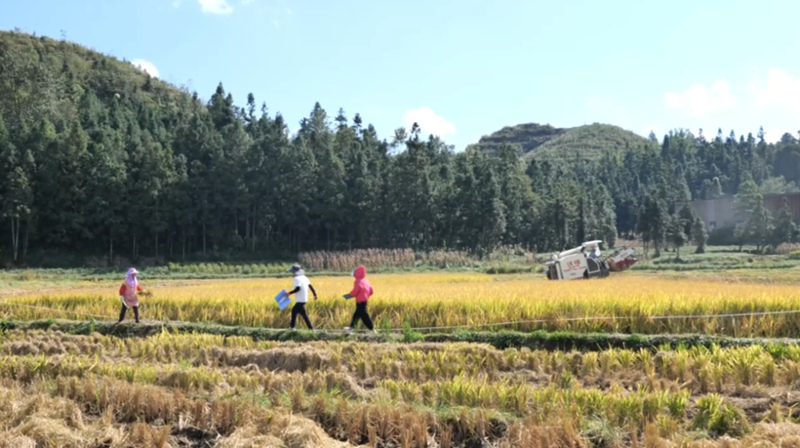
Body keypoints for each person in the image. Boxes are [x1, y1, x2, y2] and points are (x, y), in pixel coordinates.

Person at [343, 265, 375, 334]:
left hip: (360, 302)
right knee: (356, 315)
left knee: (364, 316)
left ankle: (372, 330)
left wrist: (347, 296)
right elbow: (371, 290)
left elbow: (355, 291)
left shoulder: (358, 281)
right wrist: (366, 295)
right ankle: (350, 329)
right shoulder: (365, 281)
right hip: (364, 301)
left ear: (357, 274)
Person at [286, 264, 317, 330]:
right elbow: (311, 287)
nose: (292, 274)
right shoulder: (305, 278)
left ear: (294, 272)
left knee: (297, 312)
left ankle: (293, 327)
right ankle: (309, 328)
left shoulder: (296, 279)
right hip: (305, 298)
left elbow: (298, 288)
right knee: (299, 312)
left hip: (300, 299)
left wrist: (289, 293)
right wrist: (315, 294)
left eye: (292, 272)